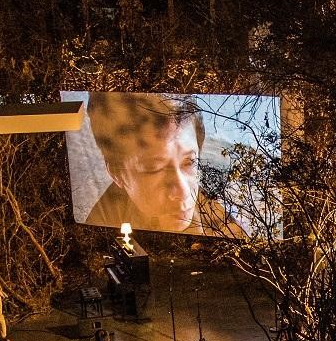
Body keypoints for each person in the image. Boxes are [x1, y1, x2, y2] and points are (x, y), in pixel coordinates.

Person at [82, 93, 243, 235]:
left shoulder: (227, 232)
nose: (182, 191)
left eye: (189, 162)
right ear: (117, 174)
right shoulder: (97, 233)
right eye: (153, 167)